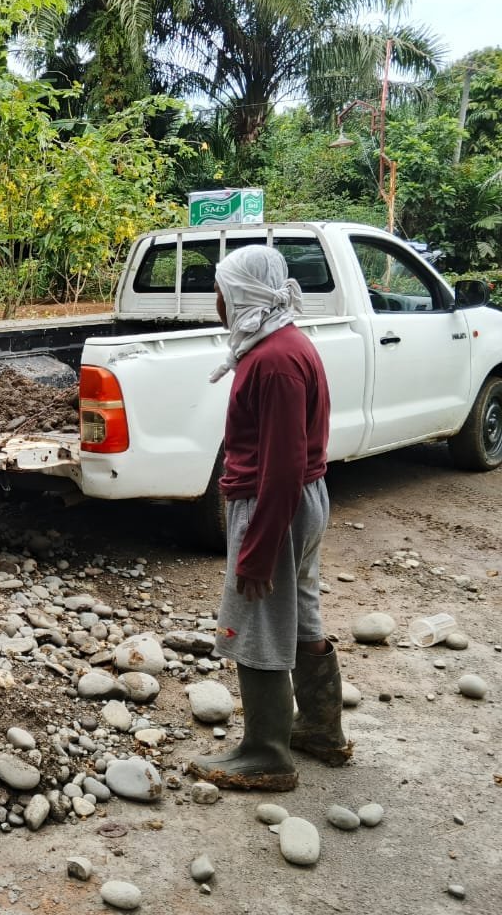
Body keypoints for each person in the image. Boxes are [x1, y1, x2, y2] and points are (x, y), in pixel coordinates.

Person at [188, 245, 350, 791]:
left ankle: (266, 754)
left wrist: (256, 552)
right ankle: (322, 731)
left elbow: (278, 468)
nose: (216, 299)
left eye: (221, 289)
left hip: (272, 504)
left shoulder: (274, 360)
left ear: (242, 294)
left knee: (255, 625)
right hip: (300, 500)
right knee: (300, 616)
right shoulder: (283, 342)